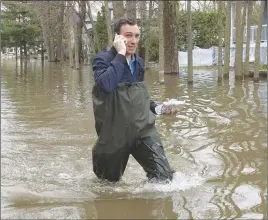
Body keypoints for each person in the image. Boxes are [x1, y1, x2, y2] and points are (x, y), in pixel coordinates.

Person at [91, 17, 174, 182]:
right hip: (114, 135)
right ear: (117, 38)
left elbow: (139, 98)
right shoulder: (102, 60)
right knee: (107, 187)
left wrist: (159, 108)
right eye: (128, 35)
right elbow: (106, 85)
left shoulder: (140, 63)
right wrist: (120, 54)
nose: (134, 41)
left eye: (137, 36)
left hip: (142, 131)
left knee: (165, 177)